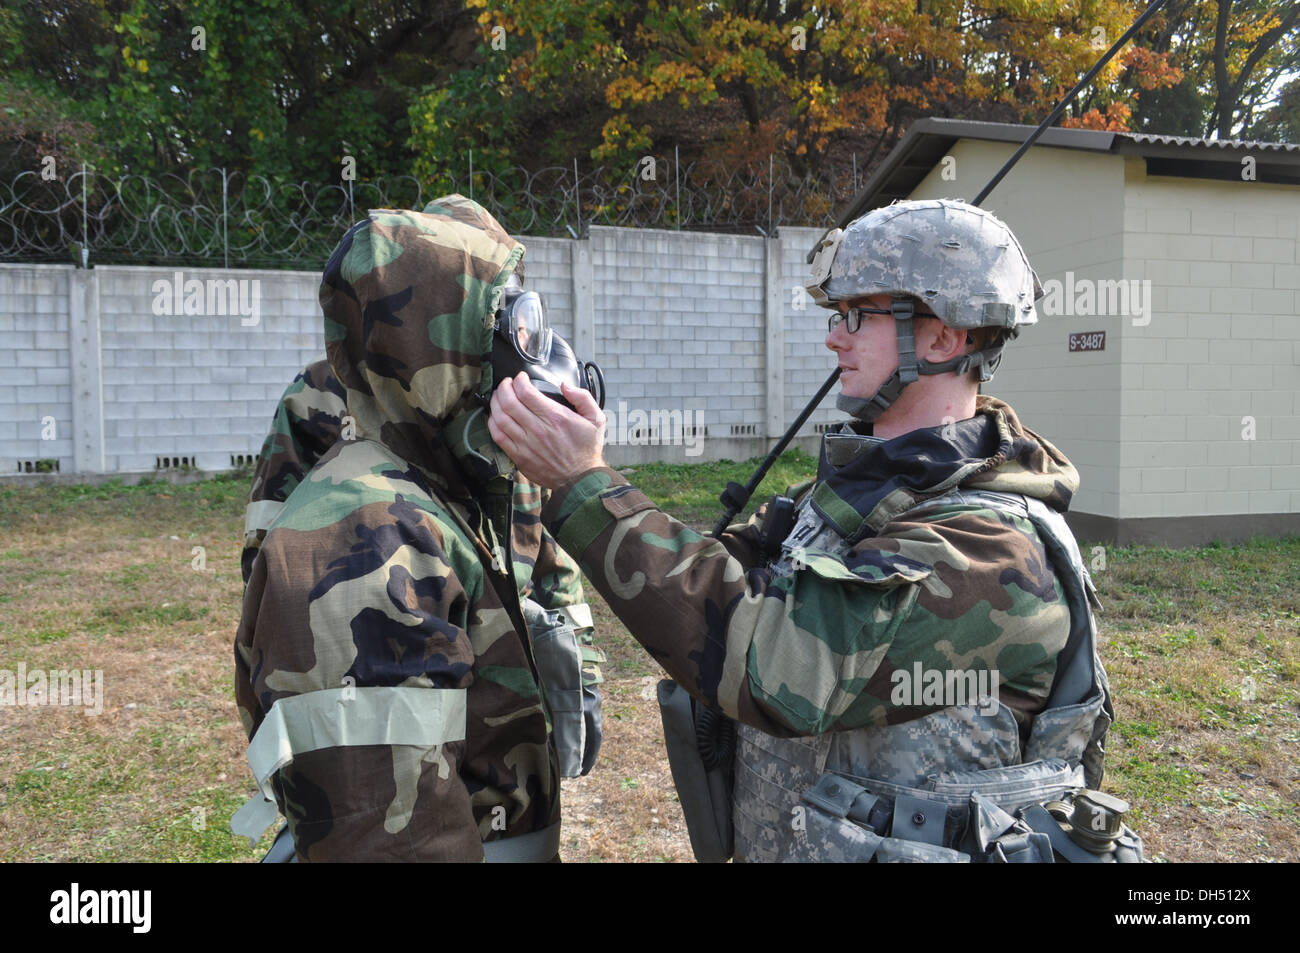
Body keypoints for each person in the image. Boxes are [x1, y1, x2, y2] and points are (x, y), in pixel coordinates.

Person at [488, 198, 1141, 863]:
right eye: (837, 316)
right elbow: (712, 578)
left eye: (857, 315)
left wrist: (581, 481)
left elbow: (776, 664)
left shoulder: (990, 551)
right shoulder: (860, 496)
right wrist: (572, 462)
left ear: (943, 338)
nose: (834, 337)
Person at [233, 196, 605, 862]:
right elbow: (391, 828)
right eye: (499, 311)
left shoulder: (465, 449)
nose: (522, 345)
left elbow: (536, 542)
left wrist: (574, 665)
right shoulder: (360, 527)